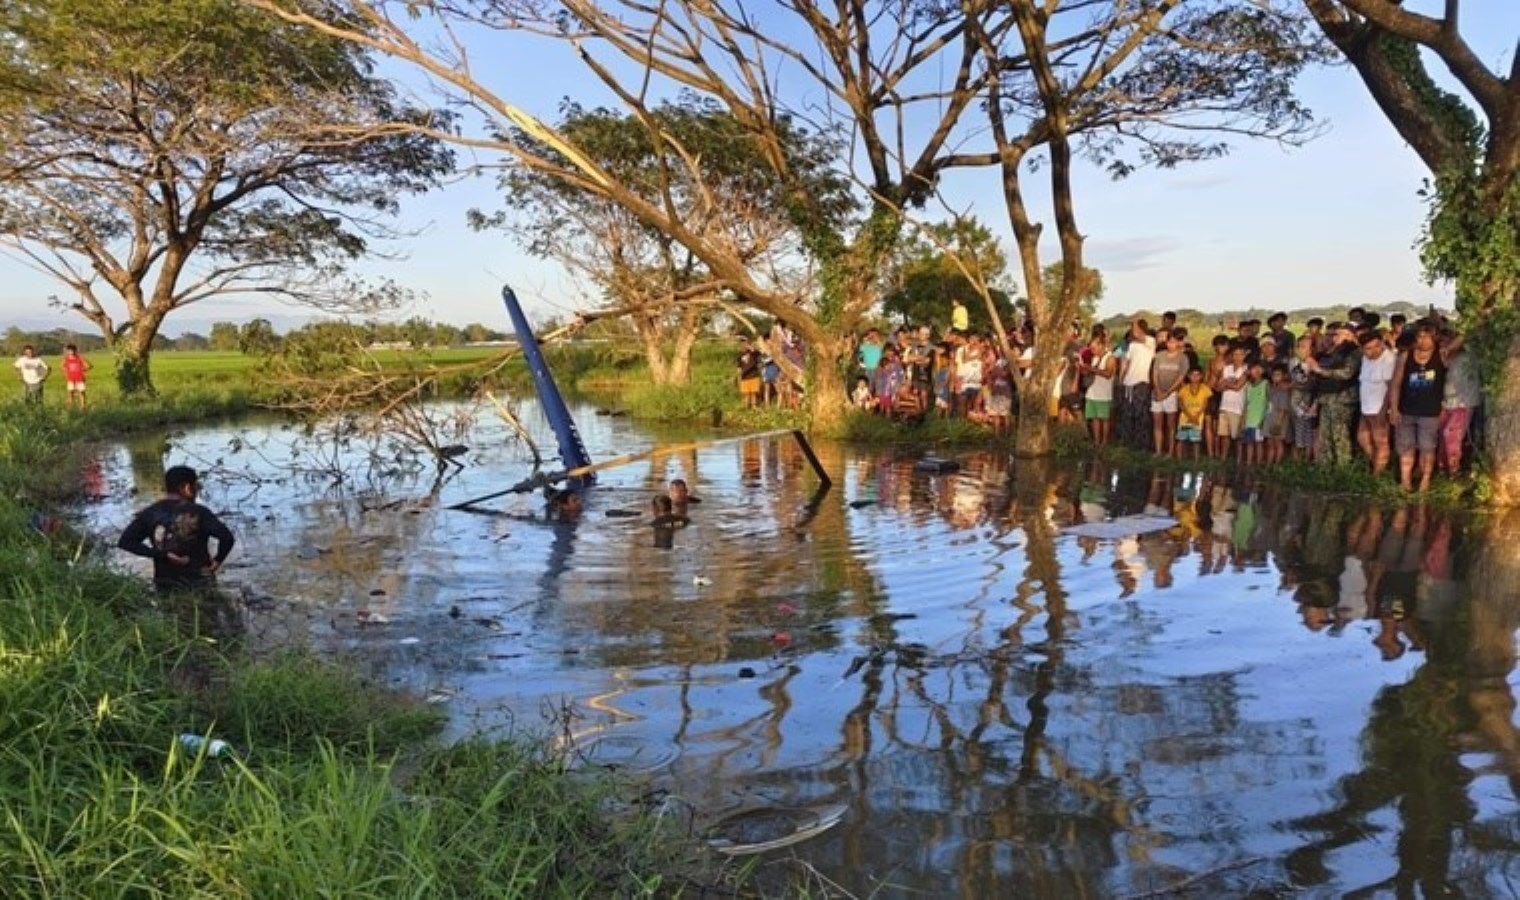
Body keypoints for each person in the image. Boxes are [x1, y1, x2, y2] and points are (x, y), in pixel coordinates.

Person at [117, 465, 235, 592]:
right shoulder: (199, 512)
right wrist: (217, 562)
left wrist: (162, 555)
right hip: (199, 580)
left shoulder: (151, 512)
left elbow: (126, 542)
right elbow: (226, 538)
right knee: (206, 609)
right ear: (186, 488)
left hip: (165, 582)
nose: (196, 491)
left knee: (170, 610)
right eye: (195, 487)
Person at [1386, 322, 1450, 493]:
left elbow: (1461, 339)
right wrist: (1394, 407)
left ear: (1434, 338)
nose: (1422, 341)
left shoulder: (1441, 355)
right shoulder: (1405, 356)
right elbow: (1396, 384)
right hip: (1406, 409)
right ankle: (1405, 480)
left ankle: (1425, 479)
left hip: (1430, 411)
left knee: (1427, 447)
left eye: (1426, 337)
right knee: (1405, 446)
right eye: (1419, 336)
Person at [1307, 322, 1361, 466]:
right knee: (1325, 435)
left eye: (1338, 334)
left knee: (1340, 435)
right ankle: (1325, 467)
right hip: (1326, 397)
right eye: (1333, 334)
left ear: (1350, 336)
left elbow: (1347, 373)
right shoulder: (1331, 351)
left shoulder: (1354, 351)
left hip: (1343, 398)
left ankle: (1343, 468)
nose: (1334, 337)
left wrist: (1320, 370)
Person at [1438, 329, 1479, 474]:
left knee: (1450, 435)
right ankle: (1443, 468)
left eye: (1447, 341)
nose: (1443, 345)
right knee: (1443, 436)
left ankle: (1454, 469)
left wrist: (1449, 348)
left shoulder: (1470, 354)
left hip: (1463, 403)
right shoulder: (1445, 358)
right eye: (1441, 342)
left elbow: (1467, 335)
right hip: (1446, 403)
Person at [1355, 330, 1396, 477]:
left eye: (1377, 346)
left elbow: (1391, 386)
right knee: (1363, 438)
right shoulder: (1365, 359)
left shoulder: (1389, 359)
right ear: (1362, 349)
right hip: (1366, 407)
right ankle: (1378, 464)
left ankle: (1377, 476)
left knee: (1381, 442)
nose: (1374, 351)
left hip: (1379, 408)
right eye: (1368, 348)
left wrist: (1385, 410)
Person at [1118, 318, 1156, 451]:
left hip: (1142, 382)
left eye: (1134, 327)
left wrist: (1137, 329)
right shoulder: (1131, 345)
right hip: (1129, 382)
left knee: (1142, 415)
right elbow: (1125, 362)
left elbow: (1142, 338)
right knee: (1127, 414)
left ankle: (1142, 444)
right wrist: (1121, 378)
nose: (1133, 330)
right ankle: (1128, 442)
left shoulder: (1150, 341)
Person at [1150, 328, 1188, 456]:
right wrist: (1157, 389)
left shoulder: (1183, 358)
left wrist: (1167, 392)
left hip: (1171, 394)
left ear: (1178, 343)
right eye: (1169, 342)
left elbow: (1180, 378)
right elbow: (1154, 374)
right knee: (1157, 423)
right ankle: (1158, 450)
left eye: (1173, 342)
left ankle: (1170, 451)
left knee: (1171, 424)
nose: (1171, 344)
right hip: (1157, 392)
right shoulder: (1159, 356)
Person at [1081, 332, 1116, 448]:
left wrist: (1091, 369)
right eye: (1091, 348)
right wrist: (1083, 369)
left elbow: (1108, 374)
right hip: (1092, 392)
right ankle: (1097, 441)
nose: (1092, 350)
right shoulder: (1094, 358)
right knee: (1095, 418)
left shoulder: (1110, 357)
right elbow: (1091, 372)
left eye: (1094, 348)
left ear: (1101, 345)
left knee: (1104, 419)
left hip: (1104, 394)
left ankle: (1104, 441)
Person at [1215, 342, 1248, 460]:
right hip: (1225, 405)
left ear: (1245, 356)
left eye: (1240, 354)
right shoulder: (1227, 368)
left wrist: (1226, 384)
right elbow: (1218, 387)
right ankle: (1223, 457)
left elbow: (1238, 387)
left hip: (1238, 407)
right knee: (1224, 435)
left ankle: (1239, 459)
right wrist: (1230, 383)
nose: (1238, 357)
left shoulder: (1246, 369)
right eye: (1235, 354)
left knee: (1237, 436)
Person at [1288, 336, 1317, 461]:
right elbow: (1301, 381)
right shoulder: (1294, 362)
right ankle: (1298, 462)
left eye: (1304, 346)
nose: (1301, 349)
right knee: (1299, 432)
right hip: (1297, 402)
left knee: (1309, 432)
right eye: (1299, 346)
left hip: (1311, 401)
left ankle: (1307, 460)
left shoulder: (1314, 362)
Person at [1174, 366, 1212, 460]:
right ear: (1188, 376)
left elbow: (1205, 404)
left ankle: (1196, 460)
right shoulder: (1184, 389)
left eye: (1197, 375)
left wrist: (1196, 416)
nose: (1195, 377)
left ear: (1201, 376)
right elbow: (1181, 404)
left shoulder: (1205, 389)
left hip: (1197, 418)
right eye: (1192, 375)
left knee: (1196, 441)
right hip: (1185, 418)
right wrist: (1189, 416)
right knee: (1181, 439)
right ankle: (1179, 460)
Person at [1240, 361, 1268, 466]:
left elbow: (1268, 403)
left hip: (1259, 420)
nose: (1256, 371)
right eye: (1254, 368)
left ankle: (1258, 463)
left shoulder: (1266, 384)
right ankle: (1248, 463)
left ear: (1263, 371)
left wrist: (1264, 419)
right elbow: (1246, 404)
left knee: (1259, 443)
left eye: (1259, 369)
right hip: (1249, 420)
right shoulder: (1248, 385)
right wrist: (1243, 420)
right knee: (1249, 443)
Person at [1265, 363, 1292, 465]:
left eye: (1278, 375)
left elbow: (1283, 409)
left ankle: (1276, 464)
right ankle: (1269, 464)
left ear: (1283, 376)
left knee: (1278, 443)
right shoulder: (1271, 389)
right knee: (1270, 443)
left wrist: (1278, 423)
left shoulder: (1283, 390)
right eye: (1274, 375)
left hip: (1279, 420)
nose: (1275, 377)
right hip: (1270, 418)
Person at [60, 344, 91, 410]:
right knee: (70, 393)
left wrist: (83, 370)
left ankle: (83, 407)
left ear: (75, 350)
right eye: (69, 350)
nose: (71, 352)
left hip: (80, 379)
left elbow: (89, 366)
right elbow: (62, 367)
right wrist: (66, 372)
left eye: (72, 350)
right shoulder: (66, 359)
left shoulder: (80, 358)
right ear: (67, 351)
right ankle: (71, 407)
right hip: (70, 379)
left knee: (81, 393)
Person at [736, 339, 763, 408]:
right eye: (742, 344)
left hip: (754, 375)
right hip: (744, 376)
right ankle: (746, 406)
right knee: (746, 393)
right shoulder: (740, 355)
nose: (744, 346)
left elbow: (759, 353)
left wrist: (751, 348)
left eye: (745, 344)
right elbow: (739, 366)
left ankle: (754, 406)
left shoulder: (753, 353)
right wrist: (739, 375)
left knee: (753, 393)